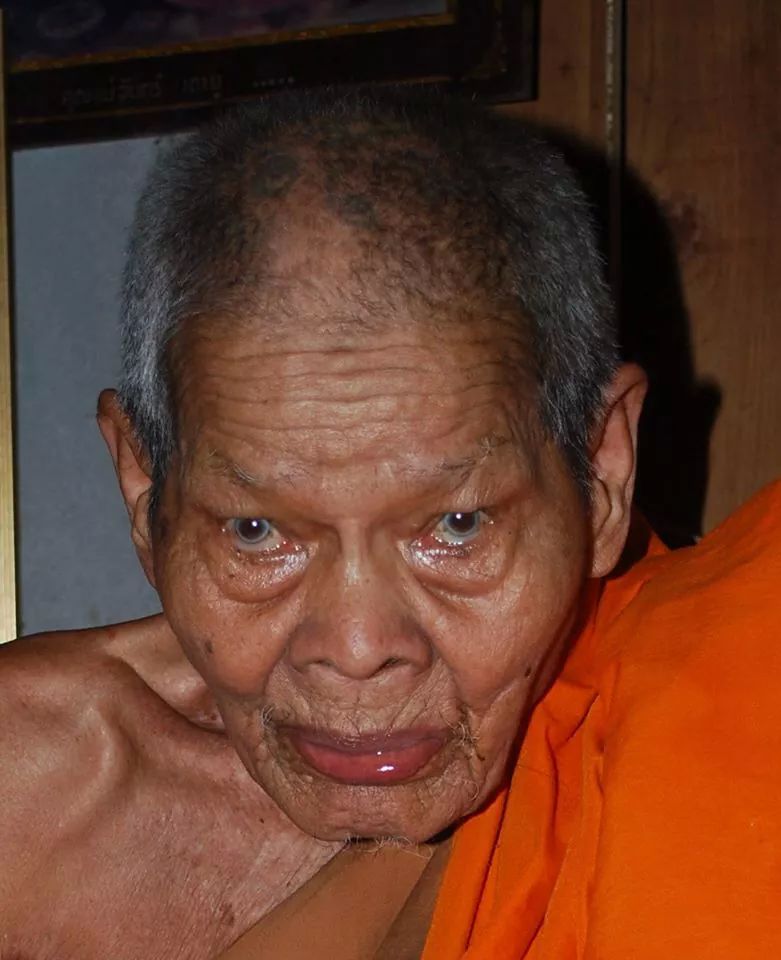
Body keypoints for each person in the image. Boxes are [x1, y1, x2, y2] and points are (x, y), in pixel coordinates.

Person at [1, 86, 779, 960]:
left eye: (456, 525)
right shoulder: (24, 802)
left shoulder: (737, 716)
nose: (357, 648)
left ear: (601, 472)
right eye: (257, 533)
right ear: (146, 495)